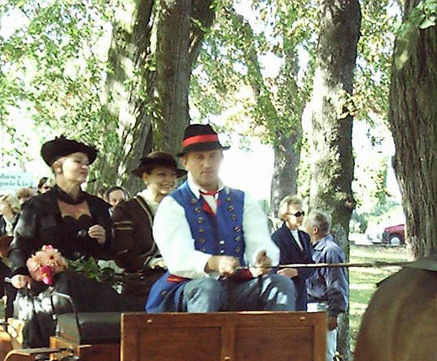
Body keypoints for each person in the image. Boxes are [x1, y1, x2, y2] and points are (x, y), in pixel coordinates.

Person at [147, 124, 294, 313]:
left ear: (221, 158)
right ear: (185, 162)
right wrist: (213, 263)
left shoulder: (243, 200)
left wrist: (262, 258)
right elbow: (178, 259)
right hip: (187, 291)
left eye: (213, 156)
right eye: (199, 157)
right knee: (208, 288)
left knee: (280, 284)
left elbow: (260, 242)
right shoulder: (173, 205)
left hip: (235, 287)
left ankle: (272, 342)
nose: (207, 164)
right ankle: (202, 343)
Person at [7, 136, 132, 346]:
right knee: (67, 286)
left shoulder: (98, 206)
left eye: (86, 164)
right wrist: (20, 272)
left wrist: (105, 238)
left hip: (95, 285)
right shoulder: (37, 206)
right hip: (48, 287)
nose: (85, 167)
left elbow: (112, 251)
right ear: (58, 166)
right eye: (78, 161)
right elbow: (20, 245)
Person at [111, 152, 185, 308]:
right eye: (161, 175)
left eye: (172, 175)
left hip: (180, 277)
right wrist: (153, 262)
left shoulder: (180, 209)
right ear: (145, 177)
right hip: (142, 283)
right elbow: (123, 254)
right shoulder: (127, 209)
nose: (169, 180)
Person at [305, 210, 348, 361]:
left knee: (325, 353)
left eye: (307, 225)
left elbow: (337, 284)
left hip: (322, 306)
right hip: (308, 305)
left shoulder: (330, 251)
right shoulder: (310, 248)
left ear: (315, 229)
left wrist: (333, 313)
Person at [272, 195, 315, 311]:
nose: (301, 217)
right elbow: (278, 270)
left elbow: (311, 266)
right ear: (285, 216)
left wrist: (296, 272)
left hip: (302, 293)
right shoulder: (277, 238)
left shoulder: (305, 237)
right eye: (297, 214)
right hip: (285, 294)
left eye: (302, 213)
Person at [0, 193, 21, 318]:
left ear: (10, 205)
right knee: (9, 297)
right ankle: (9, 324)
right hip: (5, 265)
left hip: (20, 263)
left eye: (2, 204)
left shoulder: (22, 219)